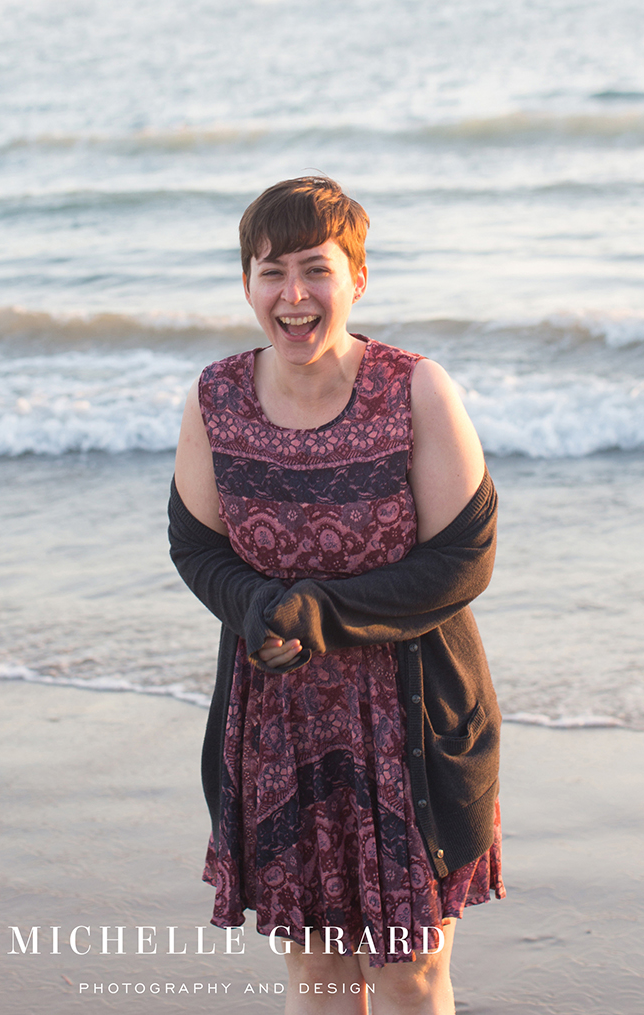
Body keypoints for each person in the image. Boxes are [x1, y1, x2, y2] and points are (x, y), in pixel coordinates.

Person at [168, 176, 502, 1015]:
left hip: (413, 725)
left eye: (315, 269)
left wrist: (318, 611)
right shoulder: (215, 399)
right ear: (247, 283)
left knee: (409, 974)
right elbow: (196, 544)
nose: (293, 294)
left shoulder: (414, 389)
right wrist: (254, 607)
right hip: (278, 729)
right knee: (317, 978)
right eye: (270, 270)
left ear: (357, 277)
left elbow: (466, 556)